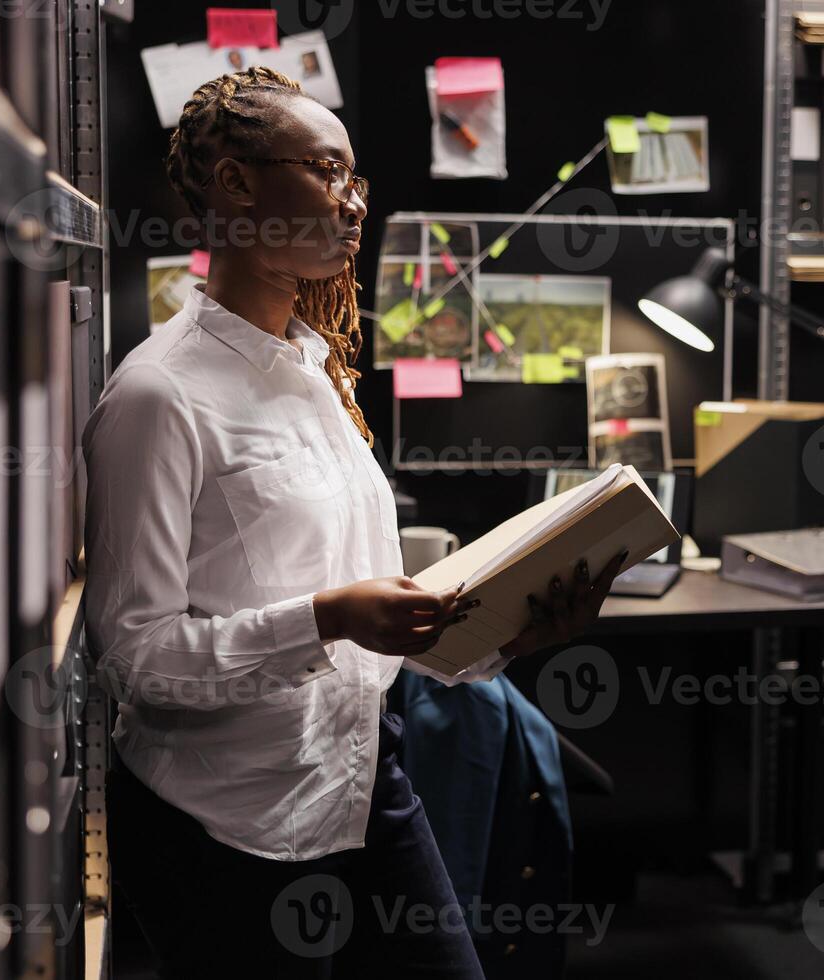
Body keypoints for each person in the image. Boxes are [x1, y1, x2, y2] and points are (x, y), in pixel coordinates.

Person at [83, 67, 624, 979]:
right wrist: (326, 618)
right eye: (328, 172)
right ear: (237, 185)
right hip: (228, 827)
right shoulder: (155, 395)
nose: (354, 202)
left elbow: (379, 634)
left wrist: (506, 638)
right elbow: (137, 660)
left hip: (363, 781)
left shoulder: (316, 372)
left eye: (355, 180)